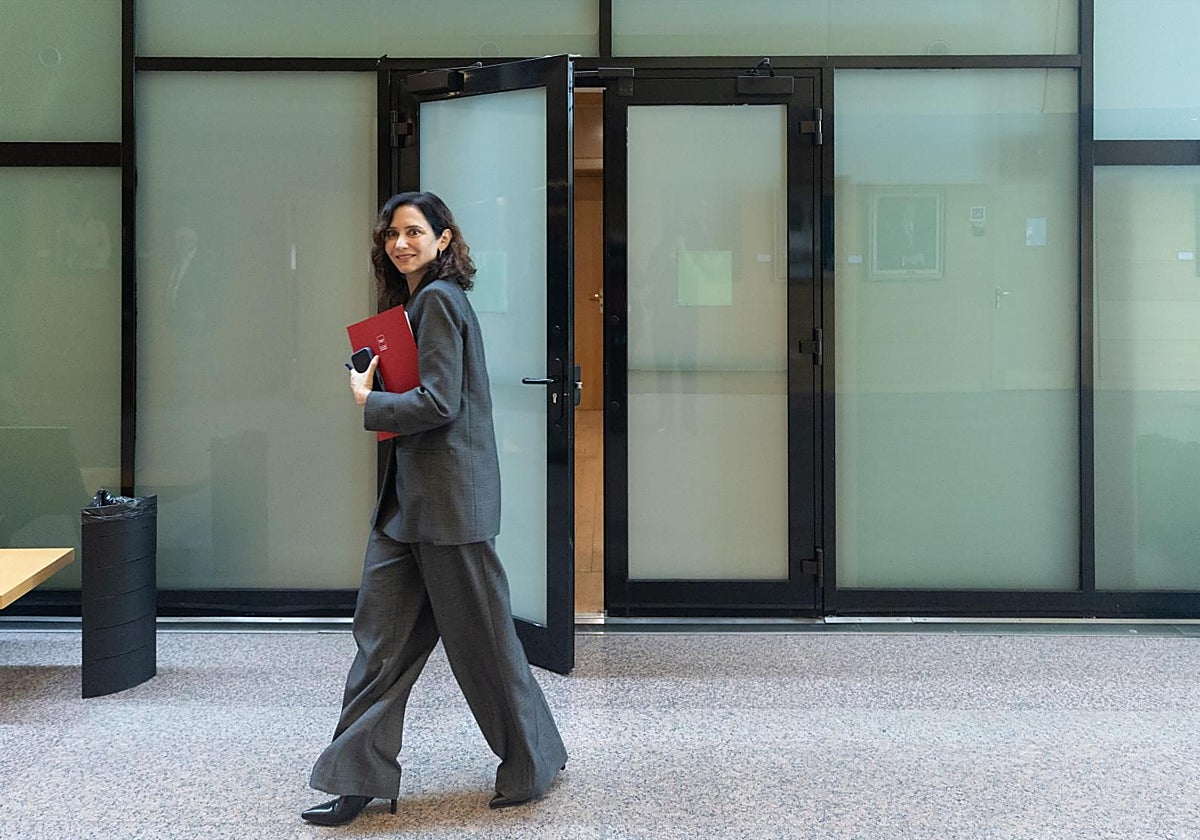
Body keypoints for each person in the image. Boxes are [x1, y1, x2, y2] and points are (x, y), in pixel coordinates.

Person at [303, 192, 568, 826]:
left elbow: (440, 402)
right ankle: (358, 778)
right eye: (393, 233)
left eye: (415, 232)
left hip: (448, 507)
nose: (401, 243)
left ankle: (534, 761)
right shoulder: (413, 305)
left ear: (443, 240)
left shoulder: (440, 302)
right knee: (380, 646)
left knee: (485, 643)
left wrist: (367, 400)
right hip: (411, 507)